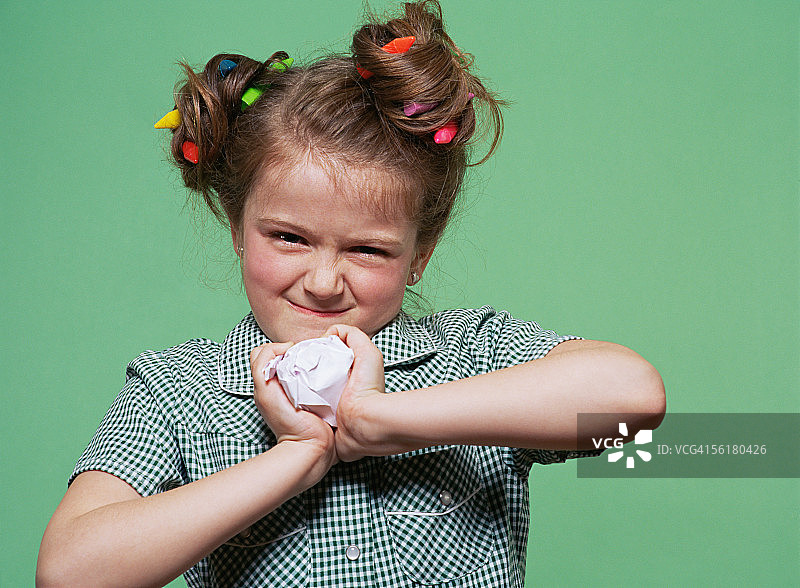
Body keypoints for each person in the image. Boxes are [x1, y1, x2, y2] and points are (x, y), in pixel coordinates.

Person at [36, 1, 665, 586]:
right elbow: (70, 571)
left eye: (367, 250)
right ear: (236, 227)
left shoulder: (473, 355)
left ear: (420, 253)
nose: (322, 280)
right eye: (288, 237)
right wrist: (298, 455)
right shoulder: (176, 392)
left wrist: (379, 420)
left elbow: (632, 399)